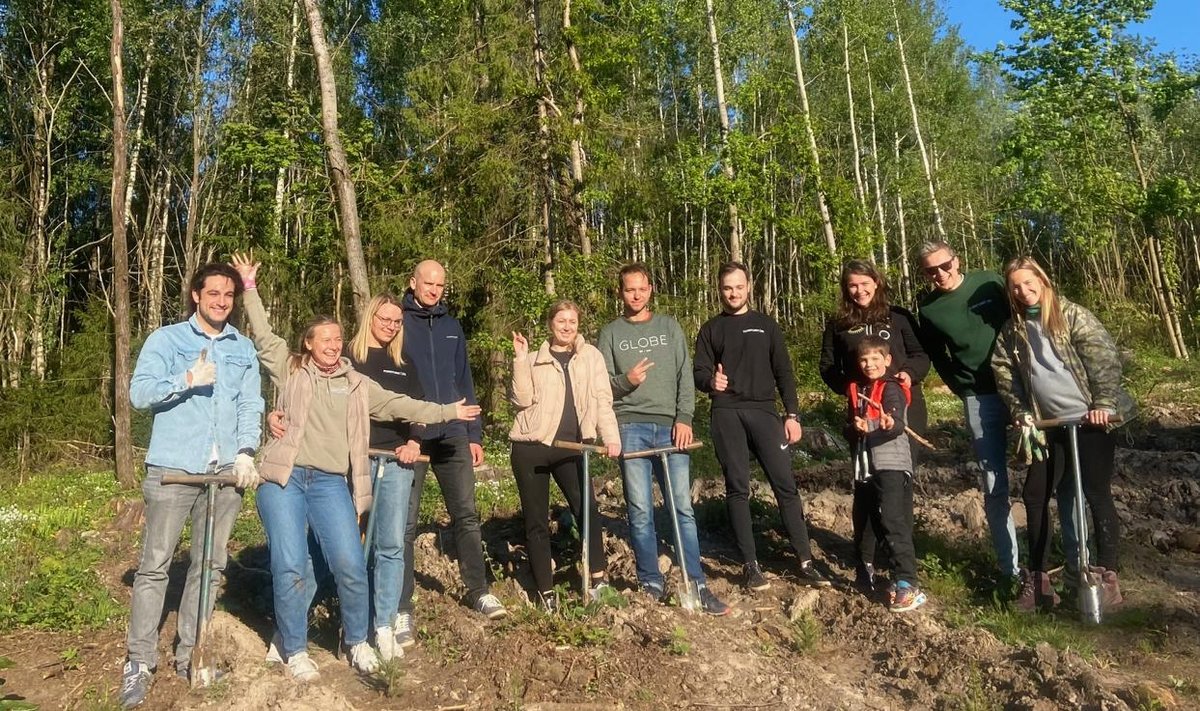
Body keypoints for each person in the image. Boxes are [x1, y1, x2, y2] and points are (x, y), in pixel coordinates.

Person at [232, 255, 479, 682]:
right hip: (285, 480)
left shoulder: (356, 383)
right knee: (290, 564)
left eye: (336, 338)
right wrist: (249, 288)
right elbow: (265, 336)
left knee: (348, 562)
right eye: (323, 339)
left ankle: (359, 641)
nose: (331, 345)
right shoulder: (290, 370)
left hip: (330, 483)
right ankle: (293, 648)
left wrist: (448, 411)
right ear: (308, 344)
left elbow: (403, 404)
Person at [120, 263, 264, 708]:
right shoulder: (167, 340)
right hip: (173, 470)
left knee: (210, 566)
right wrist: (185, 380)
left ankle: (192, 656)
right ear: (196, 296)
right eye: (214, 293)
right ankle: (139, 662)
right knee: (155, 565)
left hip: (224, 476)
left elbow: (250, 402)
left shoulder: (243, 348)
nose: (222, 301)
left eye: (229, 295)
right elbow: (139, 395)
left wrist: (246, 451)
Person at [991, 256, 1135, 612]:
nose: (1024, 292)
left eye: (1029, 283)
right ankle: (1038, 581)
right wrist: (1021, 413)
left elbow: (1103, 358)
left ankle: (1108, 577)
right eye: (1016, 287)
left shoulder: (1072, 315)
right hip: (1047, 426)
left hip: (1092, 420)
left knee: (1095, 491)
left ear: (1043, 281)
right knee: (1034, 494)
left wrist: (1102, 402)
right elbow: (1004, 372)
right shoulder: (1013, 330)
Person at [596, 264, 729, 615]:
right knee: (640, 512)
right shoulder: (610, 334)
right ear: (620, 292)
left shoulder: (669, 327)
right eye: (629, 290)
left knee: (681, 508)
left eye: (641, 289)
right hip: (630, 429)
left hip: (670, 428)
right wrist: (627, 380)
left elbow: (686, 374)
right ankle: (650, 583)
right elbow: (600, 384)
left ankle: (696, 583)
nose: (635, 295)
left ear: (650, 289)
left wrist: (684, 418)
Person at [694, 261, 830, 591]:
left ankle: (805, 560)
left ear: (749, 286)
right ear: (719, 290)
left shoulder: (766, 326)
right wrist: (712, 380)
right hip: (727, 413)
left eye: (739, 286)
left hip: (765, 412)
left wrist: (793, 415)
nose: (733, 293)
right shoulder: (711, 329)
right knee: (737, 487)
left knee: (785, 485)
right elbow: (699, 373)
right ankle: (750, 565)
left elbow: (784, 372)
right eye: (727, 288)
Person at [397, 259, 507, 632]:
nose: (434, 290)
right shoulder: (398, 322)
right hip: (412, 437)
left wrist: (473, 432)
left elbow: (464, 379)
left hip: (453, 435)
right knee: (405, 524)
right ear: (413, 283)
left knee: (467, 515)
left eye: (440, 286)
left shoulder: (451, 326)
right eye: (428, 284)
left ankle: (477, 589)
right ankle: (401, 605)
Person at [819, 260, 929, 592]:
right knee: (866, 486)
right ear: (845, 288)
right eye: (852, 285)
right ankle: (864, 561)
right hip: (861, 413)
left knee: (897, 484)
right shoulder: (839, 324)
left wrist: (908, 373)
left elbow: (920, 356)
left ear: (876, 282)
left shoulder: (898, 317)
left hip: (902, 407)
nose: (859, 290)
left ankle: (900, 562)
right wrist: (850, 387)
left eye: (865, 283)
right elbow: (827, 366)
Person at [915, 241, 1022, 582]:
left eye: (945, 265)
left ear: (957, 260)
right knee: (993, 482)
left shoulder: (989, 282)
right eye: (931, 270)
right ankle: (1011, 572)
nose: (940, 274)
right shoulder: (929, 309)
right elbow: (936, 354)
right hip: (979, 397)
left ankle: (1066, 559)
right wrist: (961, 387)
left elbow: (1023, 318)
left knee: (1045, 475)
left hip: (1023, 390)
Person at [510, 300, 620, 610]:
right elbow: (520, 400)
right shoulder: (533, 359)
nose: (567, 326)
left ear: (578, 324)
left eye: (572, 321)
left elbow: (602, 401)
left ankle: (598, 580)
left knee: (587, 510)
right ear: (550, 324)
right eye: (561, 320)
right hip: (531, 447)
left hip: (573, 449)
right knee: (536, 521)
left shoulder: (591, 357)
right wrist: (520, 359)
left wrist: (610, 438)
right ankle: (546, 591)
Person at [347, 293, 426, 660]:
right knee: (350, 545)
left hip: (395, 462)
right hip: (354, 461)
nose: (391, 326)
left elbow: (419, 411)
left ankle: (385, 623)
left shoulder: (405, 362)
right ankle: (353, 623)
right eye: (385, 319)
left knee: (391, 546)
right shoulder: (350, 356)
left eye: (396, 322)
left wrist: (413, 441)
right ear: (371, 317)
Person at [845, 336, 926, 612]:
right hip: (866, 465)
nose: (869, 365)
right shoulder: (858, 389)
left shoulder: (891, 387)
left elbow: (896, 421)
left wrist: (878, 423)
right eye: (864, 360)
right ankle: (867, 571)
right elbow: (853, 425)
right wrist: (855, 426)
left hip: (891, 463)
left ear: (887, 361)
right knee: (866, 520)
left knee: (893, 519)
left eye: (875, 359)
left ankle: (908, 583)